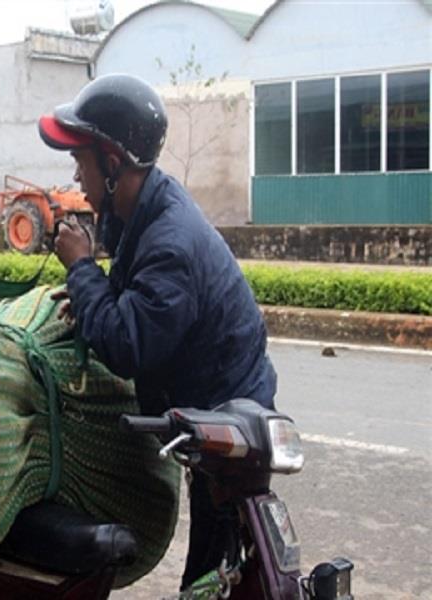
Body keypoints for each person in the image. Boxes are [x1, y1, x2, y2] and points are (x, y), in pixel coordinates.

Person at [38, 73, 278, 590]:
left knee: (216, 569)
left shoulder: (169, 238)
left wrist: (81, 269)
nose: (76, 174)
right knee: (220, 557)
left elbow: (129, 345)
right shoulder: (136, 208)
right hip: (209, 394)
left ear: (113, 163)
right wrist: (90, 296)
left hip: (228, 415)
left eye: (81, 158)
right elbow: (133, 297)